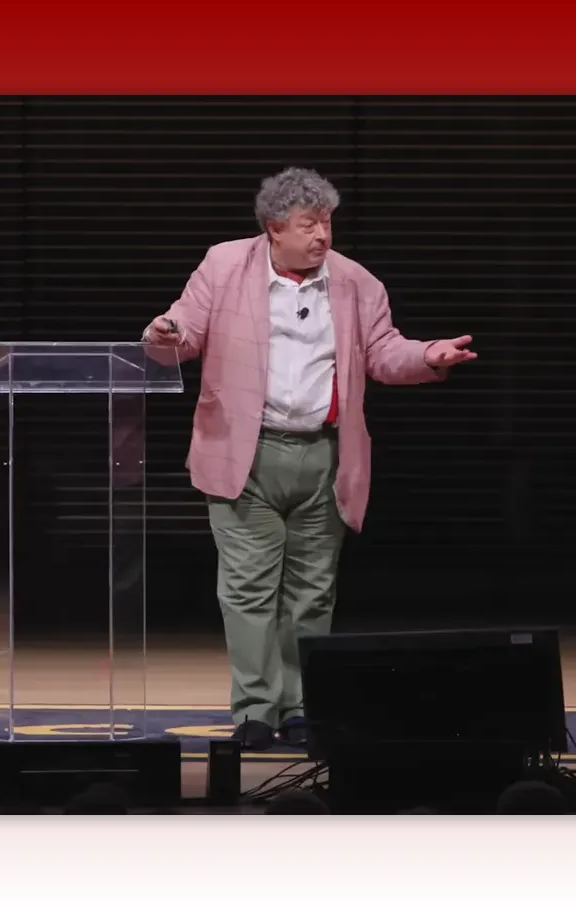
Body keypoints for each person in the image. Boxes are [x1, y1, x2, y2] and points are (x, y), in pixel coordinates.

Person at [143, 167, 477, 751]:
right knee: (247, 590)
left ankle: (301, 706)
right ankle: (254, 707)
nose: (322, 235)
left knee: (312, 591)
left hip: (325, 457)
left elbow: (383, 352)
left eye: (327, 222)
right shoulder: (224, 265)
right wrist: (164, 336)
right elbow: (184, 331)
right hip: (245, 456)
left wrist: (429, 356)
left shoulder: (354, 281)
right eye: (309, 225)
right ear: (274, 229)